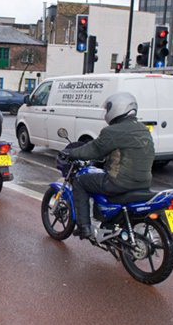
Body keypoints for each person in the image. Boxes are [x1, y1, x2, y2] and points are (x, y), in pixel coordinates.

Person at [62, 92, 155, 239]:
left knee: (80, 181)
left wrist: (71, 153)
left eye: (108, 108)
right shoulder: (142, 128)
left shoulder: (113, 131)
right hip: (144, 182)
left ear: (117, 108)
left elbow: (93, 149)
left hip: (120, 183)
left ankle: (84, 227)